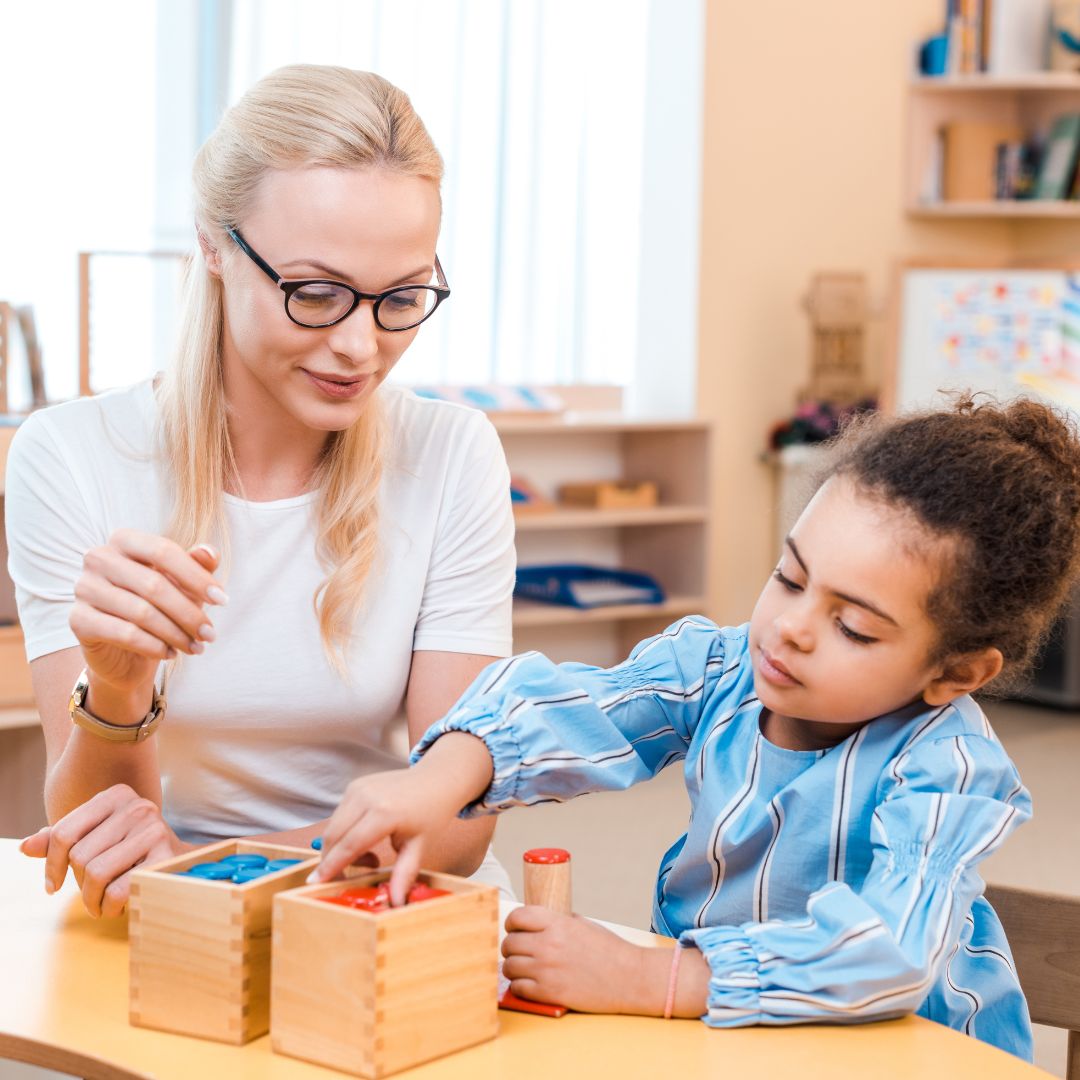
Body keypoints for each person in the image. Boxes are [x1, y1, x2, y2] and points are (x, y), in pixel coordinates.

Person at [311, 395, 1080, 1062]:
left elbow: (888, 951)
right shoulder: (720, 669)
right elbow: (581, 707)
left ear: (956, 673)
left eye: (852, 626)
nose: (789, 629)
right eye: (790, 578)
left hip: (907, 1055)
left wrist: (656, 978)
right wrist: (441, 777)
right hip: (735, 1035)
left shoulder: (948, 769)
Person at [5, 64, 516, 917]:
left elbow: (456, 822)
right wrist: (120, 684)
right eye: (316, 294)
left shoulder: (451, 454)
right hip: (162, 919)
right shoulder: (72, 455)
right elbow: (94, 822)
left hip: (385, 914)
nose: (361, 345)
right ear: (212, 242)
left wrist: (214, 872)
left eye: (402, 297)